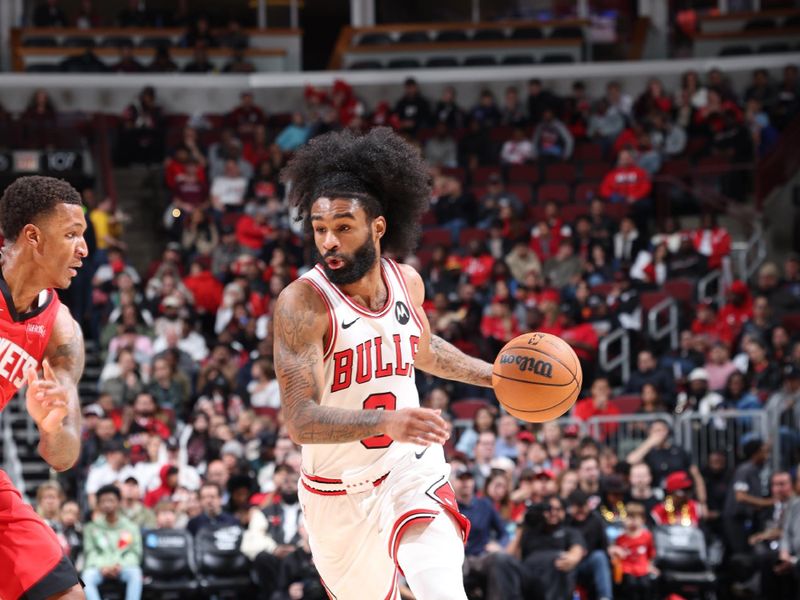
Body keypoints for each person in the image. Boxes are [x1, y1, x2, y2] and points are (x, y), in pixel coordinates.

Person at [274, 128, 495, 599]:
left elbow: (425, 350)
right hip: (335, 492)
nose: (329, 241)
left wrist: (494, 375)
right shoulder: (303, 304)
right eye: (319, 229)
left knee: (441, 586)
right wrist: (385, 420)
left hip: (408, 468)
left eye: (343, 227)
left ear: (377, 227)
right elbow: (299, 419)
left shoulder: (406, 281)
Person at [0, 176, 88, 600]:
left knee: (66, 594)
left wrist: (53, 427)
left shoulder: (60, 328)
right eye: (72, 235)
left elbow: (64, 457)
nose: (84, 250)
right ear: (33, 237)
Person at [82, 484, 143, 600]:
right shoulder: (91, 528)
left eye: (111, 500)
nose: (107, 504)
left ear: (119, 502)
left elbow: (135, 553)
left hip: (123, 567)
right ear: (98, 505)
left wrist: (119, 565)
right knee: (87, 576)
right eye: (103, 501)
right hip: (99, 568)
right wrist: (103, 567)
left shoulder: (131, 527)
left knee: (135, 573)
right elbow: (90, 552)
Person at [611, 503, 657, 600]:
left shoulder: (647, 536)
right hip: (627, 568)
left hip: (642, 567)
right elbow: (616, 556)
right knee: (630, 584)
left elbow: (651, 553)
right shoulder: (621, 538)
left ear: (643, 520)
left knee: (645, 584)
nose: (633, 521)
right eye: (630, 517)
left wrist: (650, 565)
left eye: (636, 518)